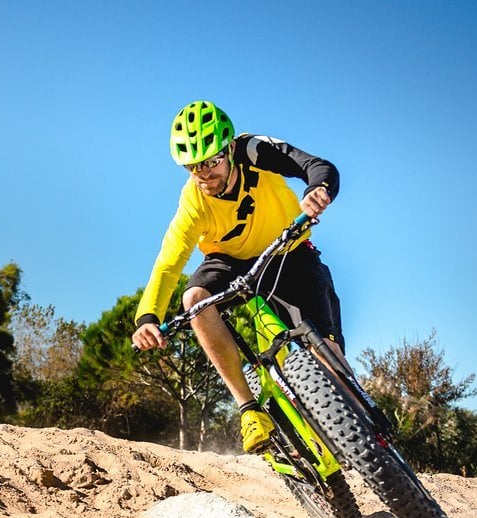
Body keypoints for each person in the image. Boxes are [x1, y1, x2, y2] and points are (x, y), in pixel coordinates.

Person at [131, 100, 345, 454]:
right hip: (229, 262)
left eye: (212, 161)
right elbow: (168, 265)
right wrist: (148, 317)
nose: (204, 174)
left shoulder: (255, 151)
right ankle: (249, 410)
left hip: (287, 251)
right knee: (194, 298)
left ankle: (364, 436)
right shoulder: (194, 203)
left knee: (330, 354)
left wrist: (316, 190)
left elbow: (317, 166)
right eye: (192, 167)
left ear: (229, 149)